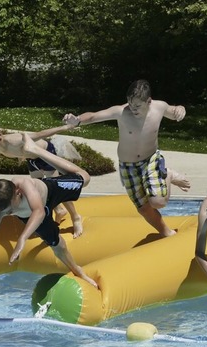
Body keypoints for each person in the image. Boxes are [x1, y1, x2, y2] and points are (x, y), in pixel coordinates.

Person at [0, 131, 98, 294]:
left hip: (50, 191)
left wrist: (22, 238)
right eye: (6, 211)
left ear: (17, 192)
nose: (9, 212)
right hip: (35, 216)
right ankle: (79, 271)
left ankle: (37, 151)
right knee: (57, 246)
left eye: (10, 208)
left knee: (84, 178)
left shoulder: (23, 184)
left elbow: (38, 211)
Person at [62, 79, 190, 237]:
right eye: (130, 104)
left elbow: (174, 110)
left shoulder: (159, 107)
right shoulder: (121, 112)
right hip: (128, 166)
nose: (133, 109)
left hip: (150, 160)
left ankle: (168, 174)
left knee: (158, 202)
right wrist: (78, 120)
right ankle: (166, 232)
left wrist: (180, 109)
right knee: (143, 208)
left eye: (137, 105)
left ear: (148, 101)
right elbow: (94, 116)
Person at [0, 121, 84, 238]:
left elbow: (41, 134)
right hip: (32, 160)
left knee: (58, 188)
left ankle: (75, 217)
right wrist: (21, 155)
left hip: (45, 154)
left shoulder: (14, 140)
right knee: (38, 190)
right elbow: (16, 151)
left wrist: (66, 127)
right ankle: (59, 211)